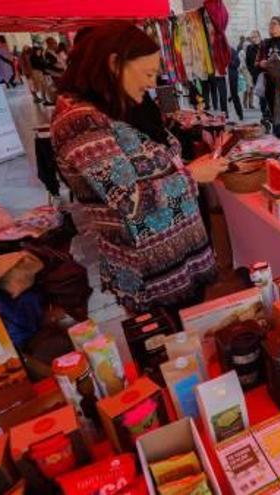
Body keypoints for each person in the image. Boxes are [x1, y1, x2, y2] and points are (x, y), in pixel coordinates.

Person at [50, 23, 221, 313]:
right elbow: (130, 199)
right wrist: (193, 176)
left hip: (179, 257)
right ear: (115, 64)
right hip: (153, 273)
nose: (153, 83)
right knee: (170, 348)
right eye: (148, 73)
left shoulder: (114, 104)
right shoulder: (79, 122)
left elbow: (150, 165)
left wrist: (187, 165)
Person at [245, 30, 264, 112]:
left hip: (266, 73)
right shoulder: (249, 48)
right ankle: (265, 113)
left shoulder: (265, 46)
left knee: (267, 94)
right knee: (261, 94)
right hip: (256, 74)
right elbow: (248, 62)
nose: (254, 39)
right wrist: (252, 72)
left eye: (255, 37)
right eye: (252, 37)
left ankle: (266, 111)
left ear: (259, 37)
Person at [227, 44, 244, 121]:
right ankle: (226, 115)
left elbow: (237, 63)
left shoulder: (231, 50)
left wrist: (228, 63)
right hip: (222, 77)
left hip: (232, 75)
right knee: (223, 96)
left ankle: (240, 114)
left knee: (234, 95)